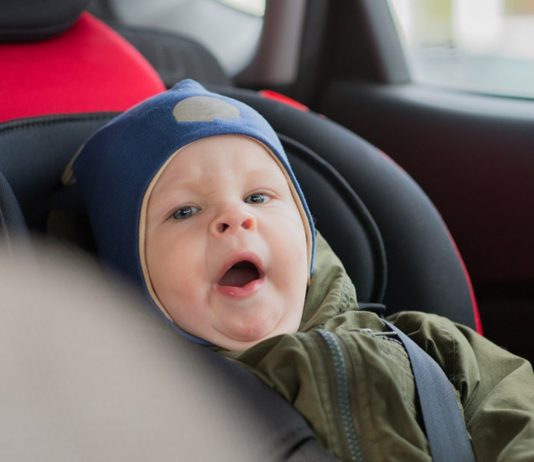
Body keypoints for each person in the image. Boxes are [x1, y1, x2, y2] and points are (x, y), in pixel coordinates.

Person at [68, 79, 534, 461]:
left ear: (307, 237)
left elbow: (518, 418)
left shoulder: (425, 345)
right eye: (185, 211)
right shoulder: (144, 411)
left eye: (257, 197)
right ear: (129, 275)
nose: (235, 217)